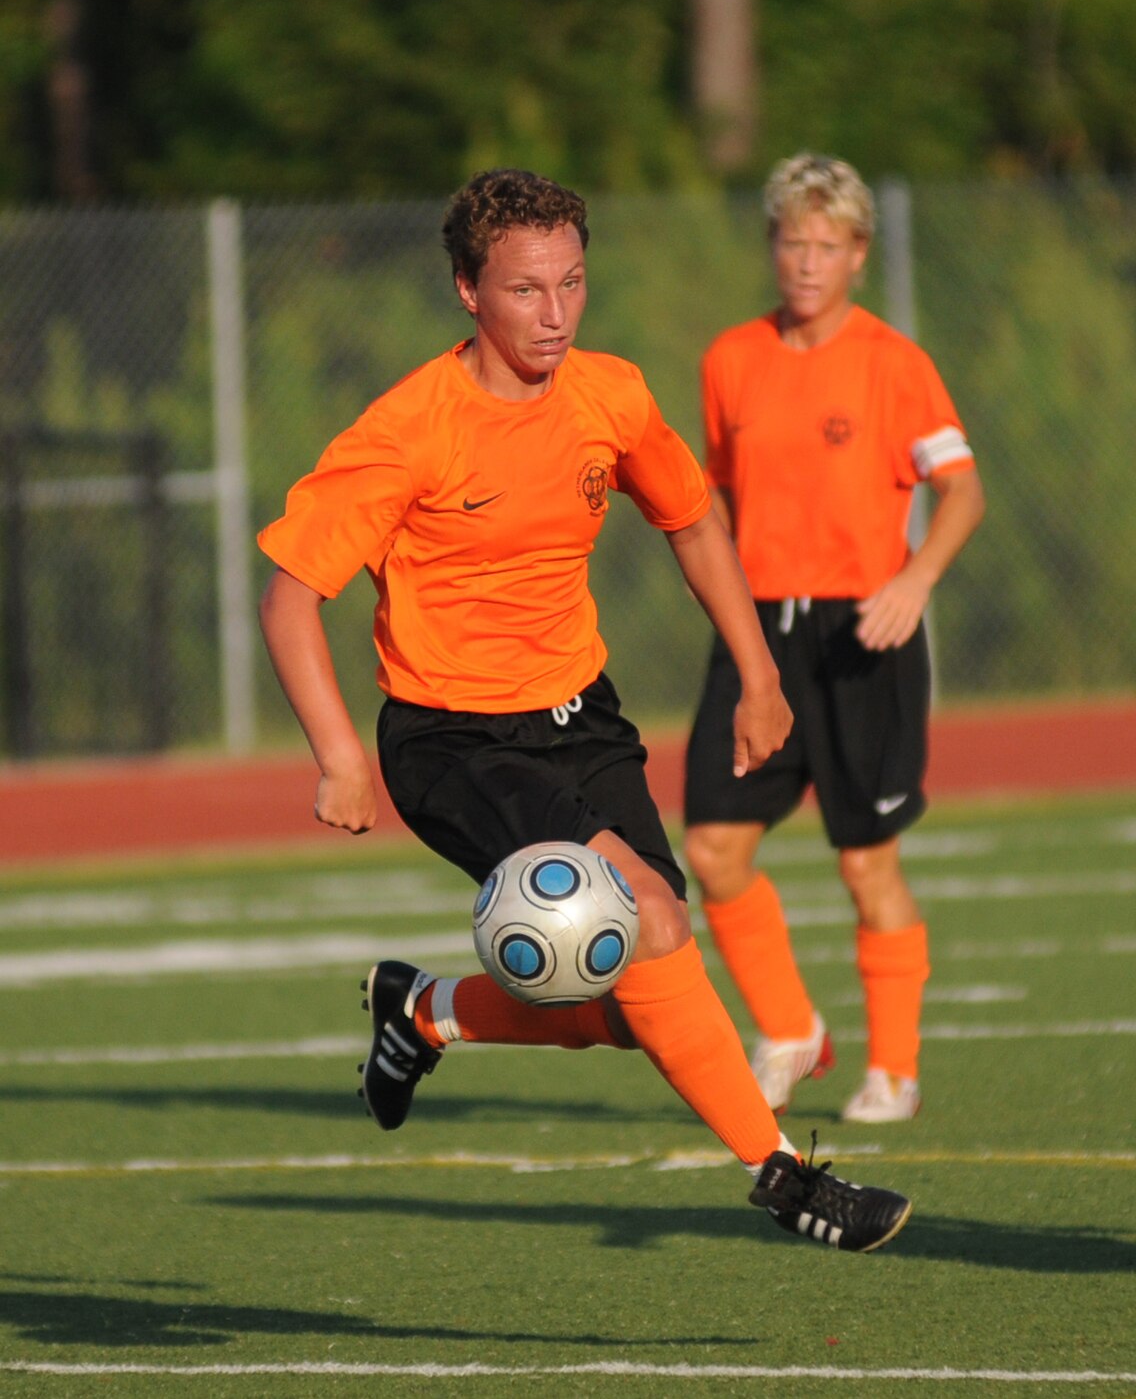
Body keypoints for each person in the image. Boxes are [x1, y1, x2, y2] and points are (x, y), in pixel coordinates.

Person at [257, 167, 911, 1253]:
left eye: (571, 284)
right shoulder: (410, 429)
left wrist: (758, 674)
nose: (554, 315)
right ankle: (785, 1175)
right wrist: (337, 755)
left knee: (625, 1004)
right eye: (525, 290)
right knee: (649, 922)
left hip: (582, 720)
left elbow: (693, 522)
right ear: (468, 289)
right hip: (452, 737)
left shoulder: (608, 393)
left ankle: (424, 1012)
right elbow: (289, 597)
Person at [681, 153, 985, 1124]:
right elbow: (717, 501)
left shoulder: (894, 362)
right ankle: (790, 1029)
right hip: (757, 634)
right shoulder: (729, 358)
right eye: (790, 241)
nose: (805, 261)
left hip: (865, 631)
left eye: (827, 245)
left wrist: (914, 578)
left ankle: (891, 1067)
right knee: (712, 847)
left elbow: (962, 490)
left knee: (865, 862)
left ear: (857, 254)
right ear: (771, 245)